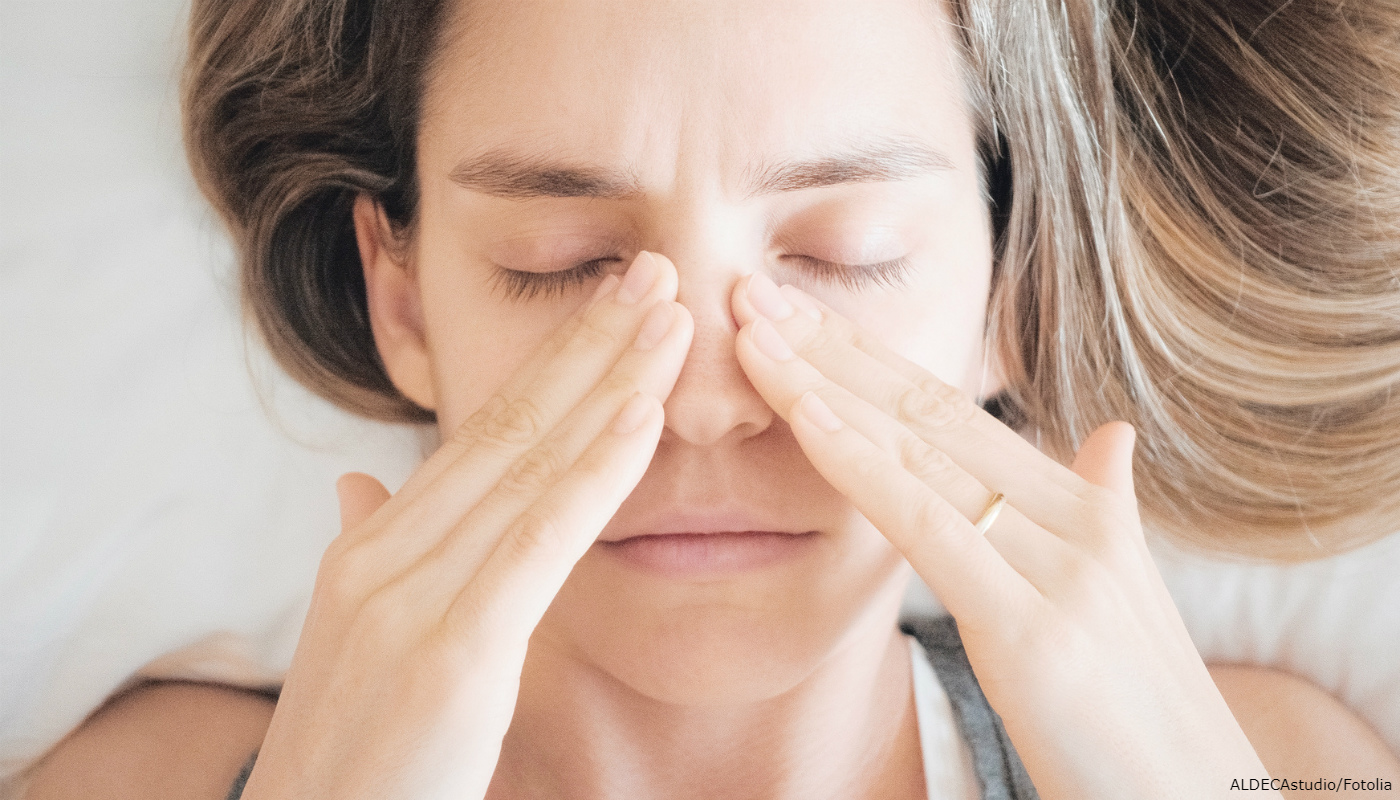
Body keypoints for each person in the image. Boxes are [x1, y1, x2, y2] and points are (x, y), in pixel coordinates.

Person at [24, 0, 1400, 797]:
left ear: (1012, 296)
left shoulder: (1260, 764)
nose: (699, 403)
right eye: (563, 267)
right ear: (403, 300)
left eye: (838, 259)